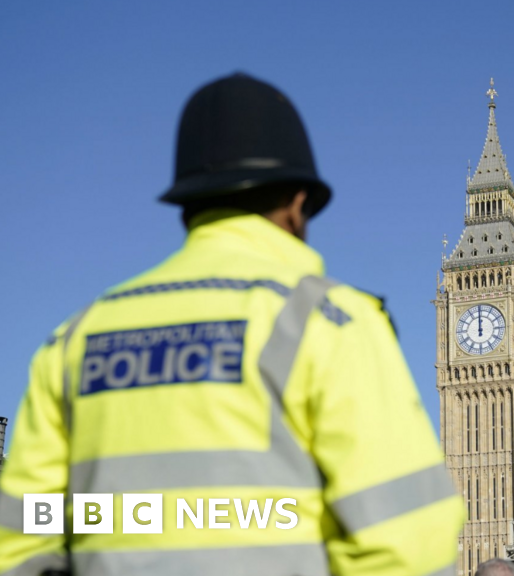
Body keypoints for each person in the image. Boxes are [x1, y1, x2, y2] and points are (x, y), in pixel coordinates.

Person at [0, 73, 464, 576]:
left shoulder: (77, 338)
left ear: (188, 206)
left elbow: (20, 534)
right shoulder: (329, 321)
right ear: (297, 203)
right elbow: (410, 541)